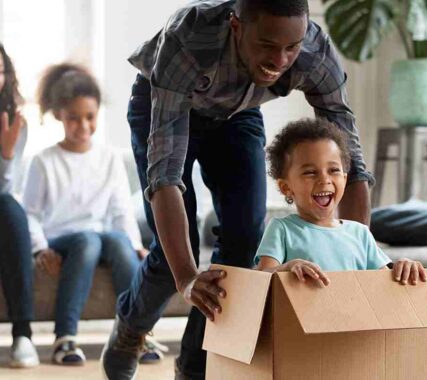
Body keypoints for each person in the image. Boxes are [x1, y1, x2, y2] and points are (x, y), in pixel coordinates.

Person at [101, 1, 374, 379]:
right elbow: (164, 177)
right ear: (236, 26)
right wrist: (187, 278)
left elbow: (352, 162)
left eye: (290, 48)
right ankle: (131, 328)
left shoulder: (314, 52)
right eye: (266, 44)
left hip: (237, 113)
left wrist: (358, 265)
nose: (280, 59)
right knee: (174, 259)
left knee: (245, 241)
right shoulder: (190, 39)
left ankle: (196, 368)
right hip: (163, 104)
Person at [21, 63, 153, 366]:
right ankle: (65, 338)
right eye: (73, 118)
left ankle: (138, 334)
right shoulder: (44, 162)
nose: (82, 125)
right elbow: (29, 214)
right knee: (88, 241)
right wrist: (41, 249)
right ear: (58, 116)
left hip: (101, 238)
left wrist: (135, 245)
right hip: (62, 239)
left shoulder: (109, 158)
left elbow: (121, 210)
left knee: (118, 241)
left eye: (90, 117)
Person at [255, 118, 426, 284]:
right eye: (310, 172)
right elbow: (262, 279)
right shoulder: (282, 229)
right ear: (286, 187)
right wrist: (287, 268)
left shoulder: (360, 234)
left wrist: (403, 266)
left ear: (344, 179)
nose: (324, 179)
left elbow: (384, 283)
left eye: (333, 170)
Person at [0, 42, 40, 368]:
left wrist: (6, 155)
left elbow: (6, 189)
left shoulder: (14, 123)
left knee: (10, 208)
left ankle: (23, 335)